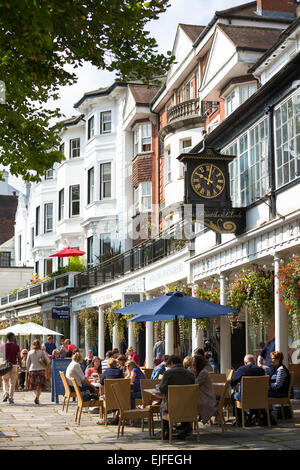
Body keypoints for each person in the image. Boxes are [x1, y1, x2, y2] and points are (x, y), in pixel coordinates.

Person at [158, 355, 195, 440]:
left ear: (172, 363)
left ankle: (166, 430)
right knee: (182, 403)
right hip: (188, 406)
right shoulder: (190, 374)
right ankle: (185, 426)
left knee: (162, 407)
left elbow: (162, 389)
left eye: (169, 365)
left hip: (171, 407)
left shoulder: (168, 373)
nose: (168, 367)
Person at [230, 353, 266, 425]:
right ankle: (254, 415)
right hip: (259, 397)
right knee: (254, 395)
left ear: (245, 362)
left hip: (244, 397)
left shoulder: (241, 370)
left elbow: (232, 383)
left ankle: (240, 417)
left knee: (233, 395)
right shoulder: (261, 370)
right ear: (254, 362)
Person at [192, 354, 218, 424]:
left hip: (207, 399)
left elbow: (194, 384)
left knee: (187, 404)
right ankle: (186, 425)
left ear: (197, 364)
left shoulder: (203, 373)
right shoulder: (200, 372)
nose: (192, 364)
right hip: (203, 396)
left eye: (194, 362)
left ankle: (186, 425)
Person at [26, 339, 50, 405]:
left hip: (32, 370)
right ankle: (37, 397)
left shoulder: (30, 352)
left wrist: (28, 370)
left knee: (33, 385)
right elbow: (48, 361)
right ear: (39, 345)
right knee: (39, 386)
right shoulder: (42, 352)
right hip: (41, 370)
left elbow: (27, 363)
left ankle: (35, 396)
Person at [0, 332, 21, 404]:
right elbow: (18, 356)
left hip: (4, 366)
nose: (14, 338)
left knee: (5, 381)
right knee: (12, 382)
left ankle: (6, 393)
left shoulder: (2, 345)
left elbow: (0, 357)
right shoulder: (16, 346)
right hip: (13, 365)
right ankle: (11, 398)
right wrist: (20, 365)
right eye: (14, 337)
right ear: (12, 337)